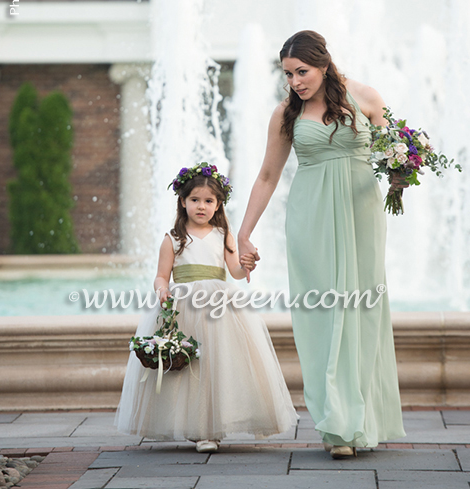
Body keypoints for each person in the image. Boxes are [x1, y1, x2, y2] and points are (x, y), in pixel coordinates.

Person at [237, 30, 406, 458]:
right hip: (310, 218)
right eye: (289, 74)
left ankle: (361, 418)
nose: (295, 81)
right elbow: (267, 176)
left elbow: (396, 153)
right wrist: (243, 233)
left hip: (362, 217)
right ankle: (336, 425)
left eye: (302, 71)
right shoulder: (285, 115)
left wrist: (403, 171)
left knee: (362, 312)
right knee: (323, 315)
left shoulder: (366, 97)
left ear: (324, 65)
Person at [115, 163, 298, 452]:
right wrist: (162, 289)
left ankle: (212, 428)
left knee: (217, 364)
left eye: (209, 201)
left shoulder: (223, 234)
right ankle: (195, 426)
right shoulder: (173, 238)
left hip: (219, 308)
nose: (202, 206)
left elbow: (234, 271)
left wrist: (246, 265)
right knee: (190, 367)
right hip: (183, 306)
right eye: (195, 200)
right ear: (183, 202)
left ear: (219, 204)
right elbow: (162, 274)